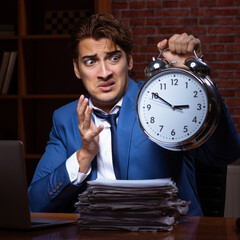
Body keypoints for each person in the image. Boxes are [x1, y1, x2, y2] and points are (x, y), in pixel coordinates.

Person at [28, 14, 240, 215]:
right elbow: (35, 204)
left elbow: (226, 154)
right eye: (91, 61)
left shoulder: (166, 99)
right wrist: (83, 156)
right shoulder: (65, 119)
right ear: (77, 69)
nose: (104, 73)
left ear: (129, 61)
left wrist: (195, 80)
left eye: (113, 58)